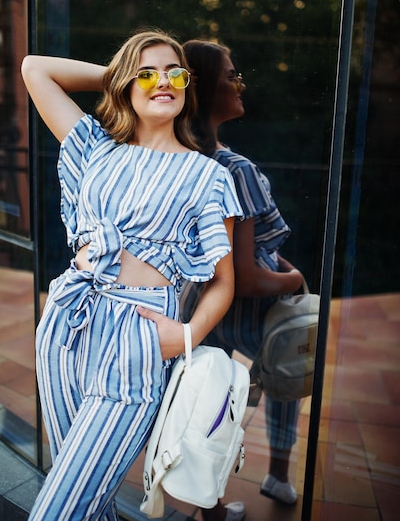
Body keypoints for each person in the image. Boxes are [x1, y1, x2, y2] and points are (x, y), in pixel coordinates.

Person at [20, 30, 244, 521]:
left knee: (60, 509)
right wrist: (125, 79)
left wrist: (187, 335)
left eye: (174, 73)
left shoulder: (210, 177)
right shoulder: (95, 148)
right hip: (66, 324)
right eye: (147, 73)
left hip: (137, 335)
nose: (162, 82)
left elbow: (223, 281)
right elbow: (35, 68)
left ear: (188, 86)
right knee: (85, 498)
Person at [181, 40, 305, 520]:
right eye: (231, 75)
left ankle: (208, 503)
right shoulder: (237, 170)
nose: (240, 82)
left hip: (201, 304)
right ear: (207, 88)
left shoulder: (180, 160)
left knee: (210, 399)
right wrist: (293, 281)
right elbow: (250, 277)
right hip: (249, 309)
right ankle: (277, 474)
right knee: (290, 372)